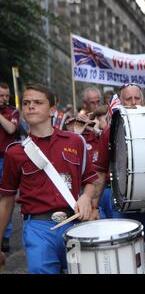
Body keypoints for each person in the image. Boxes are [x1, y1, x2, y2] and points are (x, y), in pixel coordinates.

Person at [0, 84, 99, 274]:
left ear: (52, 110)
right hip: (38, 228)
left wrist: (86, 198)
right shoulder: (14, 153)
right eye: (27, 103)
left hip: (74, 223)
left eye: (38, 102)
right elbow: (6, 201)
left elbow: (90, 180)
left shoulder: (76, 142)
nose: (30, 106)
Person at [95, 83, 145, 274]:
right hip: (122, 201)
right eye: (128, 99)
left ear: (143, 101)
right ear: (120, 102)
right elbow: (100, 172)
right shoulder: (109, 132)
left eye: (137, 98)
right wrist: (93, 203)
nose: (133, 102)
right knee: (125, 262)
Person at [0, 83, 19, 253]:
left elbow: (11, 128)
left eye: (6, 95)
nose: (4, 99)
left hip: (4, 160)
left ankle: (5, 236)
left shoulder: (12, 112)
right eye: (1, 96)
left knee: (6, 199)